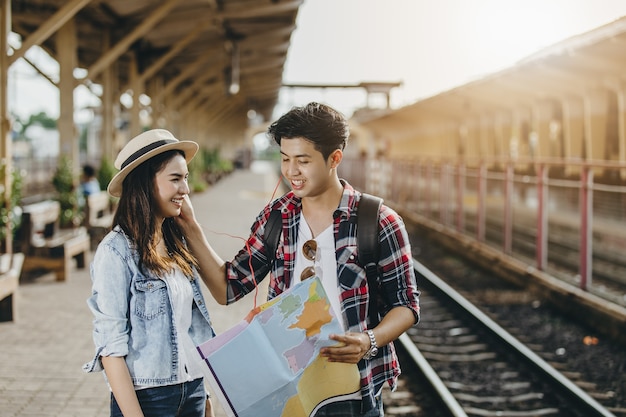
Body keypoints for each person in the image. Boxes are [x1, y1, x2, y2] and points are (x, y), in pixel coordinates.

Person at [177, 102, 420, 417]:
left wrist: (368, 339)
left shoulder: (378, 221)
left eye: (303, 161)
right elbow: (229, 288)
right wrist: (192, 230)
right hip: (287, 391)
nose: (291, 171)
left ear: (334, 159)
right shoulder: (276, 217)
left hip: (352, 390)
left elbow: (407, 305)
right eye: (285, 159)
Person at [83, 129, 216, 417]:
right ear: (145, 183)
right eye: (175, 179)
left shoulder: (176, 243)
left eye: (186, 178)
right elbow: (110, 348)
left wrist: (204, 397)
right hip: (148, 399)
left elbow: (187, 329)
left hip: (191, 389)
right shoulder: (116, 251)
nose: (186, 189)